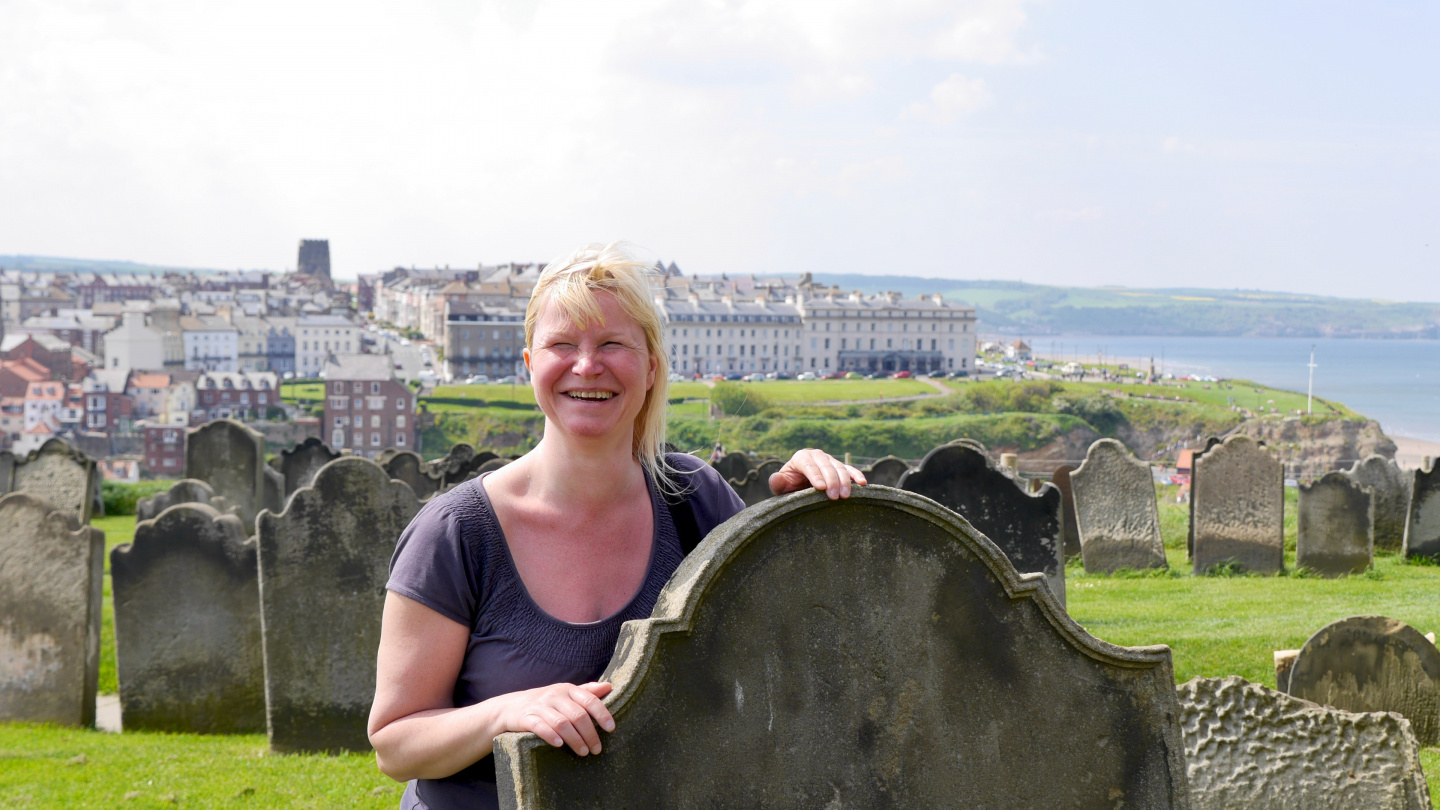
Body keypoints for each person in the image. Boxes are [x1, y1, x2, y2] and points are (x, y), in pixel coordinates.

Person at [368, 243, 866, 809]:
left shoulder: (693, 499)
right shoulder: (456, 533)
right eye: (562, 345)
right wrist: (505, 713)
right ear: (530, 364)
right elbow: (395, 743)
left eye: (612, 344)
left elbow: (782, 642)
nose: (586, 366)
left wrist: (803, 520)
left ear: (651, 367)